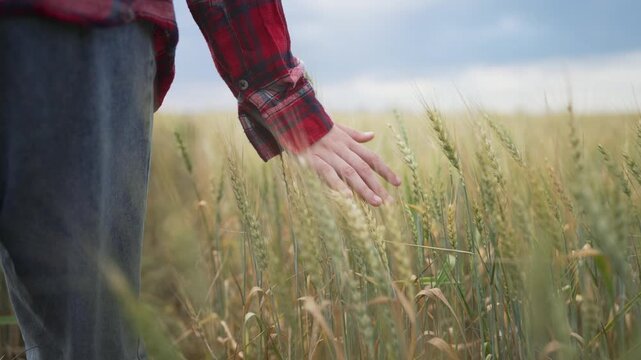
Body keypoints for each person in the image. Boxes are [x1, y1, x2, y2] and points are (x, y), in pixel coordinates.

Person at [0, 0, 401, 358]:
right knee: (92, 340)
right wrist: (280, 93)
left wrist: (285, 100)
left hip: (69, 27)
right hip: (76, 29)